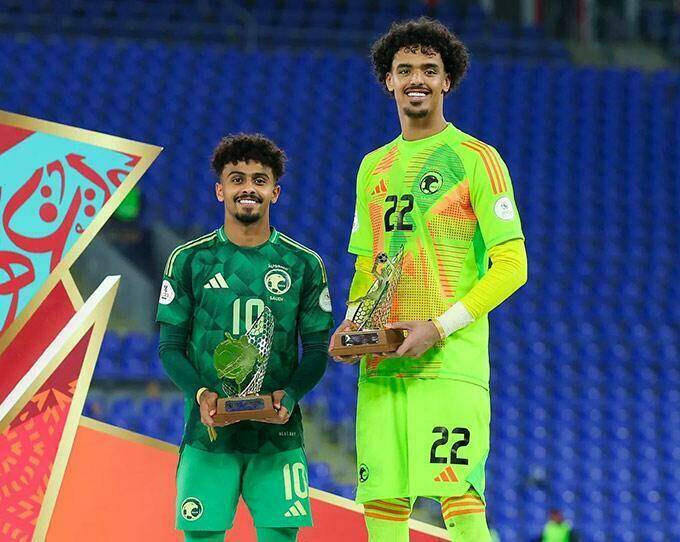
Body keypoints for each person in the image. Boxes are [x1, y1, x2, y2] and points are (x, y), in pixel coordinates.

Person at [330, 17, 528, 542]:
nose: (416, 78)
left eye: (428, 69)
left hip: (448, 364)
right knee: (383, 504)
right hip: (382, 364)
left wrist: (438, 328)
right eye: (405, 69)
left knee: (460, 503)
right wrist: (352, 325)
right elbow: (367, 265)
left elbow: (513, 265)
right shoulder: (373, 166)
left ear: (447, 80)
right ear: (388, 80)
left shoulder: (477, 159)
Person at [157, 134, 333, 542]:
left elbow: (317, 351)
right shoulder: (190, 260)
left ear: (275, 192)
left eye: (259, 180)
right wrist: (201, 394)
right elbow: (169, 348)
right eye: (237, 179)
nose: (248, 188)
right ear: (220, 190)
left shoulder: (303, 264)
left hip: (277, 438)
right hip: (208, 436)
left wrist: (291, 395)